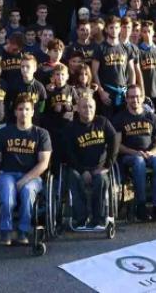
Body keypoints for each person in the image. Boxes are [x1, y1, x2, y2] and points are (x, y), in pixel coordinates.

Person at [0, 94, 52, 246]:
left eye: (27, 109)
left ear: (32, 111)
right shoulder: (4, 132)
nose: (23, 112)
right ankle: (5, 231)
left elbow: (44, 163)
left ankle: (23, 231)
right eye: (20, 109)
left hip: (32, 177)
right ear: (15, 112)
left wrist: (25, 180)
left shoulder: (41, 134)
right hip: (7, 174)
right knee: (7, 195)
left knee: (27, 192)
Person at [112, 84, 156, 223]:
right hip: (129, 156)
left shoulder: (151, 116)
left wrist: (152, 152)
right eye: (132, 97)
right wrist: (135, 152)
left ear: (143, 98)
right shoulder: (120, 118)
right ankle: (141, 205)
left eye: (138, 96)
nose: (135, 100)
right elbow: (117, 145)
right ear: (126, 99)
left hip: (149, 154)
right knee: (139, 162)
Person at [63, 93, 117, 229]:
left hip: (99, 167)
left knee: (101, 180)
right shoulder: (71, 127)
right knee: (73, 176)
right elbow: (68, 153)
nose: (88, 109)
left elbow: (114, 140)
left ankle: (98, 219)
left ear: (95, 107)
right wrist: (82, 171)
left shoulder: (103, 122)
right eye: (84, 107)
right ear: (78, 109)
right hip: (79, 167)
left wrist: (107, 165)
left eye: (91, 106)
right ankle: (81, 219)